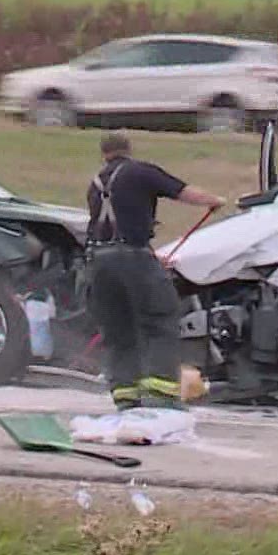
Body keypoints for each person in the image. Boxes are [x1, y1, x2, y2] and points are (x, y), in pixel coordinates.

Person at [72, 132, 224, 439]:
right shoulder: (141, 171)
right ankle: (161, 397)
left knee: (119, 330)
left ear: (104, 154)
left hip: (98, 264)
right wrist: (214, 201)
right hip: (133, 258)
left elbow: (113, 226)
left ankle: (126, 398)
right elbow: (182, 191)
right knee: (160, 320)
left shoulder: (96, 183)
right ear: (128, 149)